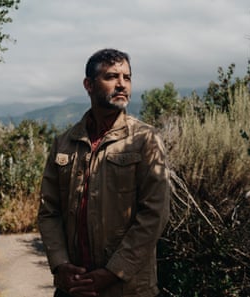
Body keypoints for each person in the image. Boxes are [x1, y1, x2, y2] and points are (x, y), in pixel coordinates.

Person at [38, 48, 171, 297]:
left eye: (127, 77)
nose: (122, 85)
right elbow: (49, 212)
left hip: (126, 288)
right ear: (88, 85)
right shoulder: (65, 142)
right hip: (73, 287)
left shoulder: (144, 140)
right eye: (111, 77)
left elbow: (155, 213)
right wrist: (61, 265)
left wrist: (112, 273)